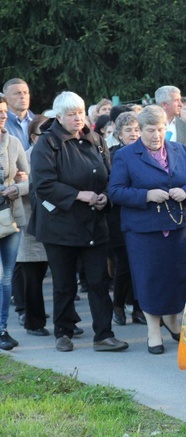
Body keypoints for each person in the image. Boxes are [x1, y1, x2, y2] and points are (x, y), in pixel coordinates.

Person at [29, 91, 128, 353]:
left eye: (81, 112)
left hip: (94, 223)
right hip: (59, 225)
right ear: (59, 116)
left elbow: (109, 176)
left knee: (97, 281)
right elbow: (43, 184)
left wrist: (104, 197)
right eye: (72, 114)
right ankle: (63, 332)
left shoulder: (95, 139)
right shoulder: (47, 144)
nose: (78, 118)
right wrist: (78, 195)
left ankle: (104, 335)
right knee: (64, 284)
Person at [109, 106, 186, 354]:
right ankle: (153, 331)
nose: (156, 135)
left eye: (160, 129)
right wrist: (146, 195)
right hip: (144, 231)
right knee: (149, 280)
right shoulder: (126, 155)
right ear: (140, 131)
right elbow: (115, 192)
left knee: (178, 279)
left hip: (177, 228)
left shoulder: (180, 150)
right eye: (150, 130)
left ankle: (173, 320)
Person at [106, 112, 146, 327]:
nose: (134, 133)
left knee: (141, 265)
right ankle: (118, 305)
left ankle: (139, 308)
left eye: (137, 129)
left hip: (142, 214)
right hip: (118, 218)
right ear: (119, 133)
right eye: (129, 130)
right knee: (124, 265)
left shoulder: (147, 153)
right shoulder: (112, 155)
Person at [17, 115, 50, 338]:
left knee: (63, 279)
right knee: (32, 278)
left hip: (57, 226)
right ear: (33, 138)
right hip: (30, 224)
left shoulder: (60, 156)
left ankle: (67, 321)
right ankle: (34, 321)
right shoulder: (26, 157)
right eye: (43, 135)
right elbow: (16, 183)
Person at [0, 97, 29, 351]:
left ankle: (2, 329)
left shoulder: (13, 142)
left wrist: (17, 187)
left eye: (2, 113)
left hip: (9, 217)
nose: (1, 117)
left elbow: (31, 178)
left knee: (6, 277)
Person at [2, 78, 35, 150]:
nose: (23, 96)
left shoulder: (39, 122)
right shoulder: (2, 123)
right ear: (5, 98)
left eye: (25, 92)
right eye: (17, 93)